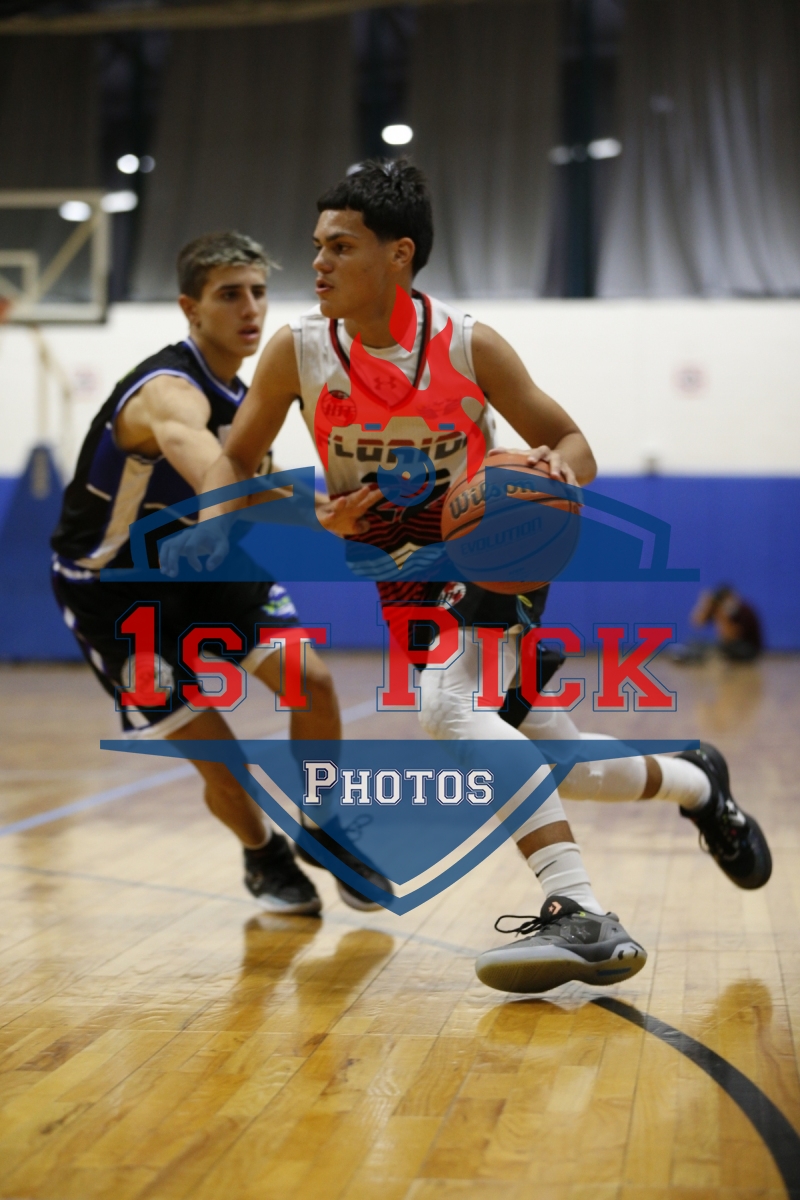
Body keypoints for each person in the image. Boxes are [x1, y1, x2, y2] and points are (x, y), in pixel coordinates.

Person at [174, 163, 772, 993]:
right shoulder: (298, 352)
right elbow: (235, 458)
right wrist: (240, 521)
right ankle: (698, 782)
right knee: (561, 765)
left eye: (340, 247)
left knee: (447, 708)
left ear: (398, 254)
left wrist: (551, 474)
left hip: (495, 558)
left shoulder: (467, 344)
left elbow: (576, 446)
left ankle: (578, 913)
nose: (317, 264)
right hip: (401, 583)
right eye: (317, 246)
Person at [50, 230, 387, 917]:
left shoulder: (248, 392)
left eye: (258, 292)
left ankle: (322, 825)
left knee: (314, 684)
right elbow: (215, 470)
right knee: (223, 761)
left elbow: (258, 477)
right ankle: (263, 853)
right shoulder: (166, 392)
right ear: (190, 308)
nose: (250, 308)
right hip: (117, 594)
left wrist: (334, 508)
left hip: (208, 567)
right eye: (230, 294)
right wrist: (318, 514)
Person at [691, 585, 763, 662]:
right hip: (730, 647)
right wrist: (706, 605)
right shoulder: (723, 610)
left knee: (720, 649)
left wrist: (720, 615)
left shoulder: (744, 611)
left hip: (749, 649)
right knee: (696, 643)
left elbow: (731, 637)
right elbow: (697, 623)